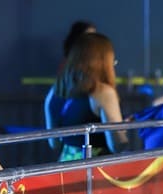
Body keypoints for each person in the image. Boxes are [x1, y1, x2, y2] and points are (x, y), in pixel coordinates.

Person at [44, 32, 129, 161]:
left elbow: (54, 143)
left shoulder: (56, 91)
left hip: (65, 166)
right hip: (96, 167)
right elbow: (117, 145)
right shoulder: (103, 92)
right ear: (104, 62)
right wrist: (125, 129)